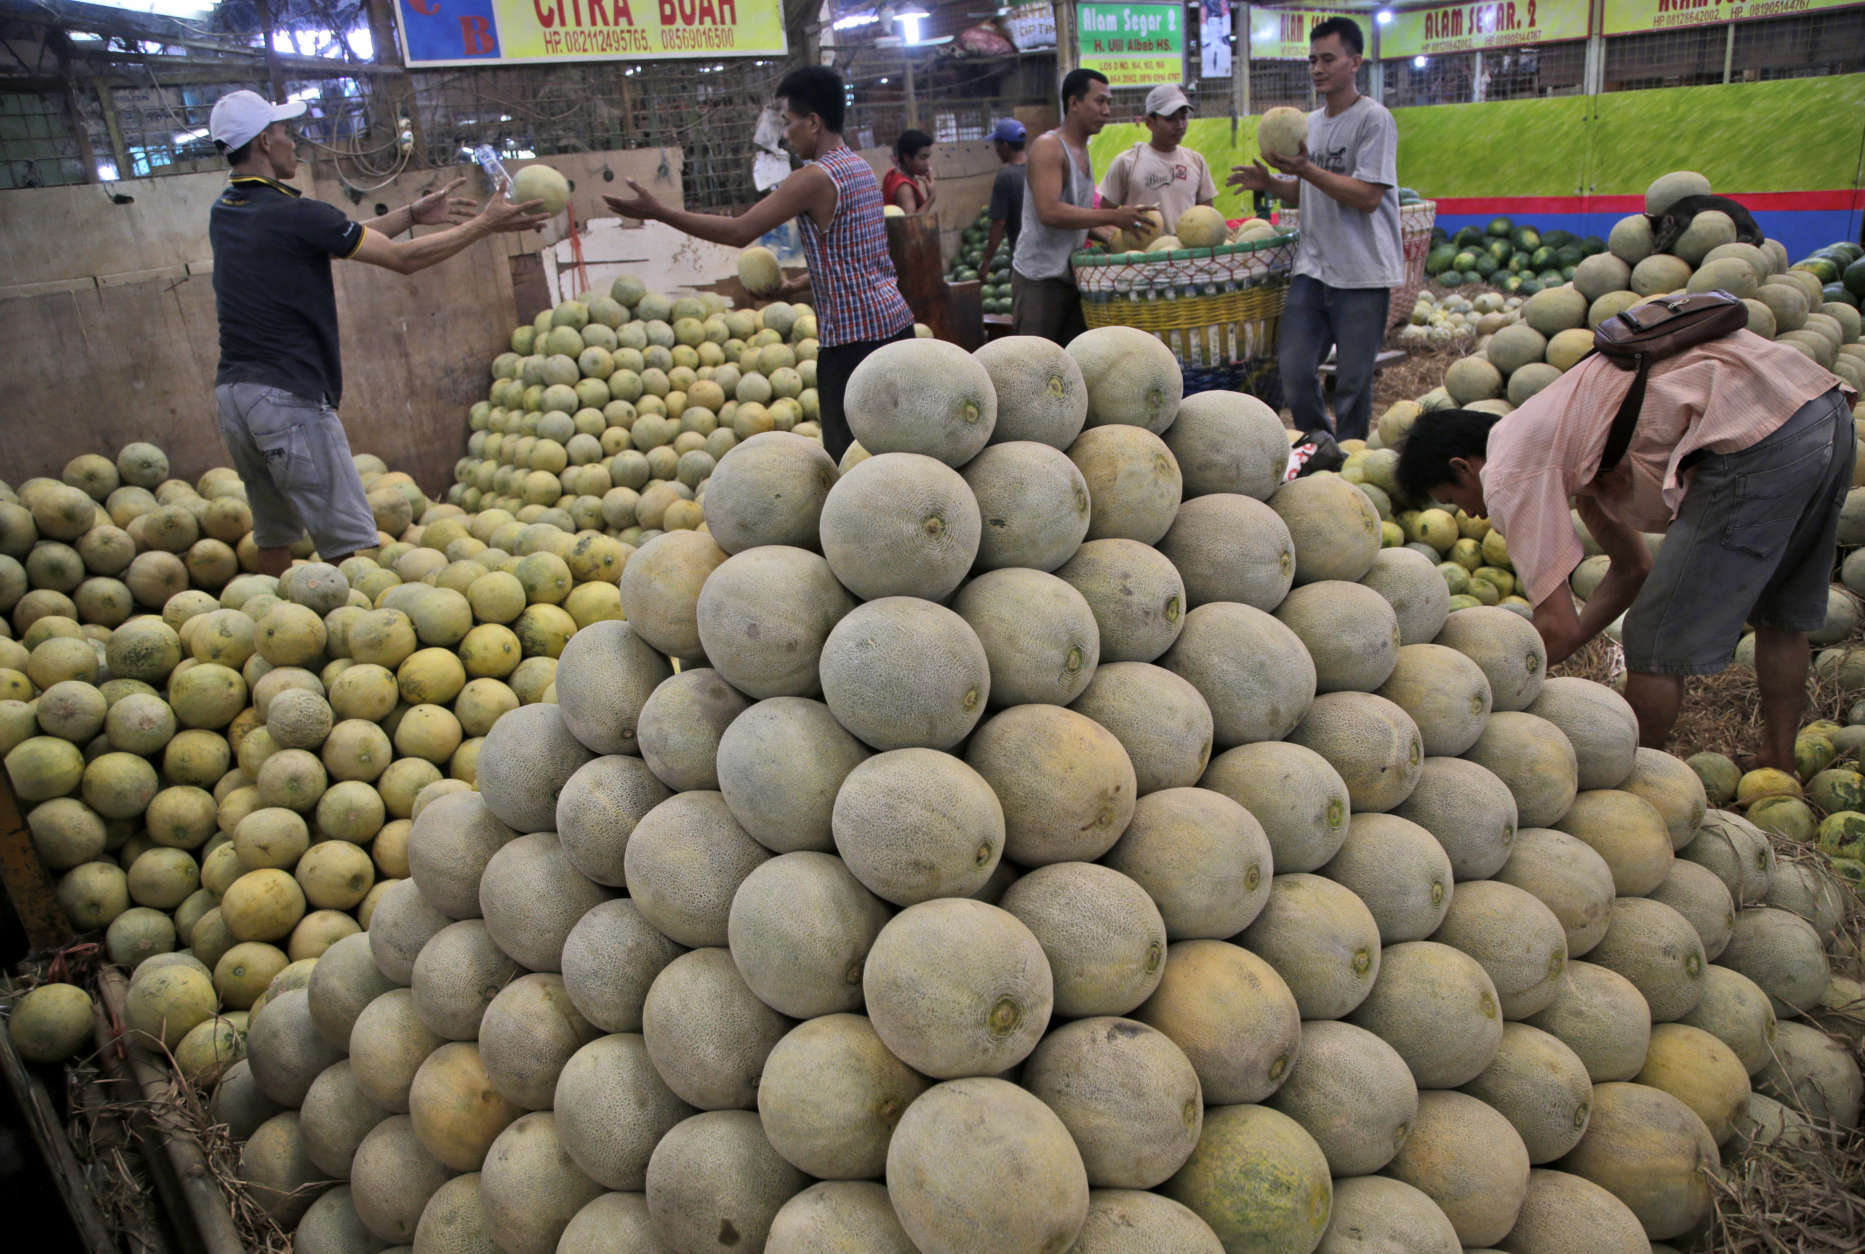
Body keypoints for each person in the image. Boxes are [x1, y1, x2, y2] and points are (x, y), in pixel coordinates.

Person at [1394, 330, 1854, 771]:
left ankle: (1628, 779)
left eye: (1454, 500)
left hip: (1757, 439)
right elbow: (1633, 568)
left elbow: (1553, 624)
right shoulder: (1568, 434)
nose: (1469, 516)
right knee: (1779, 614)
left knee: (1650, 639)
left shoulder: (1510, 471)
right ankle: (1779, 760)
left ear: (1464, 466)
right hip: (1821, 409)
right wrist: (1567, 643)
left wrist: (1477, 699)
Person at [207, 89, 546, 576]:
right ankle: (363, 642)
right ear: (263, 141)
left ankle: (269, 625)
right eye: (284, 133)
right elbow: (403, 260)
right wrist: (486, 226)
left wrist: (410, 215)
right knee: (351, 549)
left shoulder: (229, 210)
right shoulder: (294, 212)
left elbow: (325, 235)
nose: (292, 143)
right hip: (287, 396)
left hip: (235, 397)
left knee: (274, 535)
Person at [601, 65, 914, 462]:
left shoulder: (813, 178)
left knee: (850, 459)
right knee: (899, 452)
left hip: (854, 344)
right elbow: (856, 261)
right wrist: (793, 286)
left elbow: (738, 231)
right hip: (895, 326)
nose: (785, 134)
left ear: (813, 122)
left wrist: (660, 213)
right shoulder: (859, 168)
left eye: (789, 122)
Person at [1228, 16, 1401, 443]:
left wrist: (1306, 169)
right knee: (1294, 371)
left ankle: (1351, 461)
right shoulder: (1311, 124)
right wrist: (1272, 185)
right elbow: (1311, 194)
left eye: (1328, 59)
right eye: (1312, 60)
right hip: (1313, 268)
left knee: (1352, 385)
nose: (1317, 69)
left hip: (1362, 271)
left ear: (1355, 61)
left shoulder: (1374, 120)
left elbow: (1367, 196)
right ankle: (1320, 448)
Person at [1013, 68, 1156, 345]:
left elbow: (1075, 215)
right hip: (1040, 279)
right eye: (1100, 101)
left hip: (1070, 278)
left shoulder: (1083, 150)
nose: (1107, 110)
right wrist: (1115, 216)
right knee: (1034, 367)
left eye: (1109, 103)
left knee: (1071, 365)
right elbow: (1050, 212)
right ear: (1074, 103)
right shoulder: (1049, 147)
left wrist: (1112, 236)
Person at [1097, 84, 1217, 234]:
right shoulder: (1127, 162)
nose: (1180, 125)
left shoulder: (1196, 161)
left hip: (1186, 255)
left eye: (1183, 117)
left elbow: (1208, 217)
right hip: (1144, 256)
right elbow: (1104, 218)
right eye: (1170, 119)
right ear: (1149, 123)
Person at [979, 118, 1028, 279]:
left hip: (1023, 261)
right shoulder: (1037, 169)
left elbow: (998, 224)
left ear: (1005, 146)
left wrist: (986, 262)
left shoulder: (1006, 177)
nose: (996, 150)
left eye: (996, 145)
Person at [883, 130, 936, 215]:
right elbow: (911, 224)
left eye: (928, 157)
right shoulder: (904, 187)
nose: (927, 163)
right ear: (907, 158)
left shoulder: (892, 173)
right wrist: (931, 198)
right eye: (923, 158)